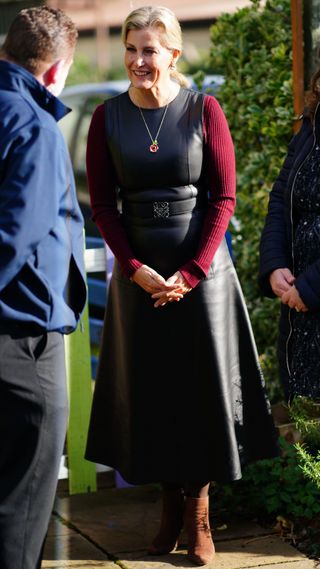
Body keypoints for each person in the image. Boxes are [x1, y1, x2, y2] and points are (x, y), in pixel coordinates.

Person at [85, 5, 279, 566]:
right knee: (153, 394)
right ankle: (167, 508)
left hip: (203, 275)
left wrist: (191, 272)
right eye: (131, 49)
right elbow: (102, 205)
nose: (139, 60)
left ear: (173, 54)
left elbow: (224, 198)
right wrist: (133, 267)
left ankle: (198, 516)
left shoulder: (204, 110)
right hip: (139, 278)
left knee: (200, 396)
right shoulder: (107, 117)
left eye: (150, 49)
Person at [0, 7, 87, 569]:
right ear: (55, 72)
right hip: (24, 342)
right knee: (24, 504)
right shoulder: (35, 126)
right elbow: (16, 236)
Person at [259, 66, 320, 404]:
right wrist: (275, 263)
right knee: (306, 434)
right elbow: (282, 197)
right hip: (299, 311)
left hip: (308, 292)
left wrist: (311, 287)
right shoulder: (311, 124)